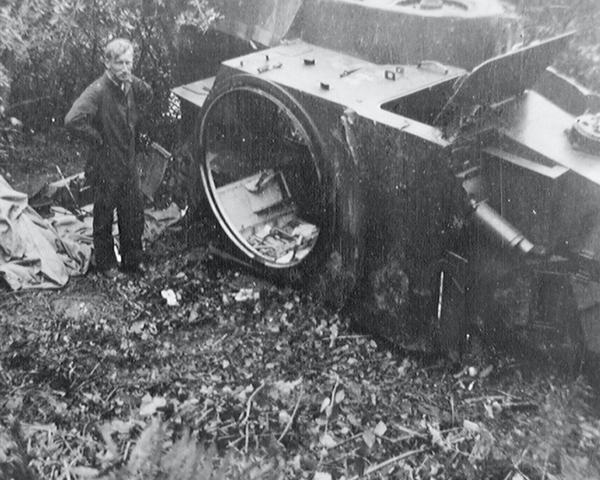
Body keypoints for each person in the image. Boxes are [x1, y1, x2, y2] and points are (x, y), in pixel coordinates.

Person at [65, 38, 153, 279]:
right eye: (119, 63)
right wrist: (97, 137)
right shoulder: (98, 90)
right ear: (107, 63)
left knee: (133, 212)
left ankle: (132, 261)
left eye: (129, 62)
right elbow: (72, 119)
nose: (125, 68)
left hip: (128, 162)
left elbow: (149, 93)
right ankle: (107, 265)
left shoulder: (131, 84)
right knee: (103, 215)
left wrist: (134, 122)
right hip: (105, 165)